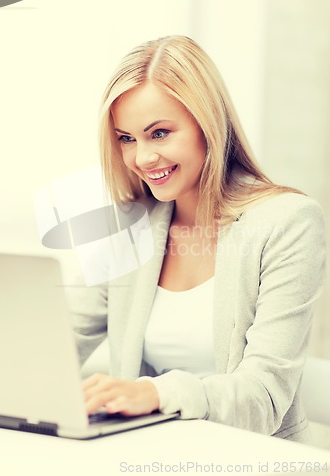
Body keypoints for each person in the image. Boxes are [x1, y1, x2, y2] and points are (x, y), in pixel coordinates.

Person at [77, 35, 326, 442]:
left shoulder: (288, 222)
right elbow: (54, 344)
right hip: (143, 456)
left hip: (251, 460)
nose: (141, 158)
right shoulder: (131, 227)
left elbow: (263, 397)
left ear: (206, 124)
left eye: (159, 133)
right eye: (126, 138)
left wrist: (153, 393)